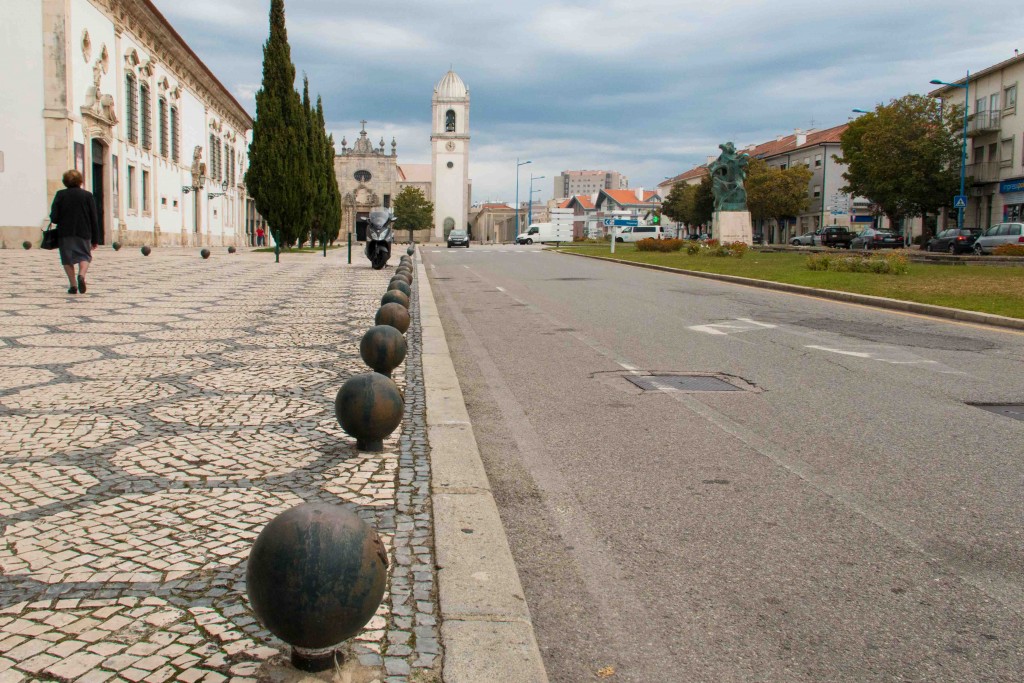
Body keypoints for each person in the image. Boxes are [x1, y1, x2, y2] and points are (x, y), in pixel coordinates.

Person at [49, 169, 101, 294]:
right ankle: (82, 275)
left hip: (65, 232)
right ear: (80, 181)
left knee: (67, 259)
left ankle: (73, 285)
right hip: (83, 232)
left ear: (65, 182)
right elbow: (94, 218)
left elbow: (54, 217)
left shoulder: (60, 195)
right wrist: (95, 239)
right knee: (85, 256)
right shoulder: (87, 195)